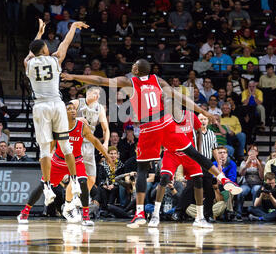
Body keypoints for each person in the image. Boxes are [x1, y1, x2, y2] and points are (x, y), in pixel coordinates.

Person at [61, 59, 242, 228]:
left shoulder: (130, 81)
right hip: (167, 122)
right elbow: (183, 99)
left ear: (136, 71)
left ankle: (140, 214)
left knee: (142, 168)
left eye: (133, 67)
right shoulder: (158, 81)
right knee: (194, 153)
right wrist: (205, 112)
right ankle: (223, 179)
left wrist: (73, 76)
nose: (131, 68)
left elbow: (100, 79)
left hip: (149, 127)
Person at [24, 18, 89, 207]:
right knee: (65, 145)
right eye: (45, 45)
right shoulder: (54, 59)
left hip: (40, 107)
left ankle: (46, 187)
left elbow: (31, 50)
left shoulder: (28, 63)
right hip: (57, 104)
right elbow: (65, 43)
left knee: (45, 150)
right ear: (44, 50)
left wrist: (39, 33)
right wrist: (73, 27)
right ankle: (75, 182)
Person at [18, 102, 113, 224]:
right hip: (59, 162)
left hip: (76, 161)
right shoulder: (59, 127)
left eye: (74, 109)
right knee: (44, 186)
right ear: (64, 112)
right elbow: (51, 146)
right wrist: (46, 157)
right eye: (69, 109)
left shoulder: (81, 126)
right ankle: (25, 212)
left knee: (83, 182)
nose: (73, 111)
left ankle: (85, 217)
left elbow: (94, 141)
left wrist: (107, 156)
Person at [148, 110, 212, 229]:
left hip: (189, 152)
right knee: (164, 178)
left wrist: (199, 152)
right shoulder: (165, 117)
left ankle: (200, 217)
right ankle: (155, 215)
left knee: (198, 179)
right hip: (172, 152)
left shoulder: (190, 115)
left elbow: (199, 131)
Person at [70, 86, 110, 192]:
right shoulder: (76, 103)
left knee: (92, 178)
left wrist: (105, 143)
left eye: (99, 94)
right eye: (95, 93)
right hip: (75, 141)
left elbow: (105, 129)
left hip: (89, 144)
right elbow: (61, 116)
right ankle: (70, 201)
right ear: (88, 94)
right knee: (75, 177)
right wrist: (77, 119)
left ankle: (81, 197)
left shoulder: (99, 108)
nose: (98, 96)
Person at [235, 145, 264, 221]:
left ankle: (255, 213)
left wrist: (258, 165)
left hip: (257, 183)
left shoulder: (262, 162)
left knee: (256, 190)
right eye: (251, 150)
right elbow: (241, 173)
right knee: (241, 191)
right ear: (248, 152)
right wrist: (246, 164)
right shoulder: (244, 162)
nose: (253, 152)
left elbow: (262, 177)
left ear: (257, 153)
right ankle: (238, 213)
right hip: (246, 183)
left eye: (255, 151)